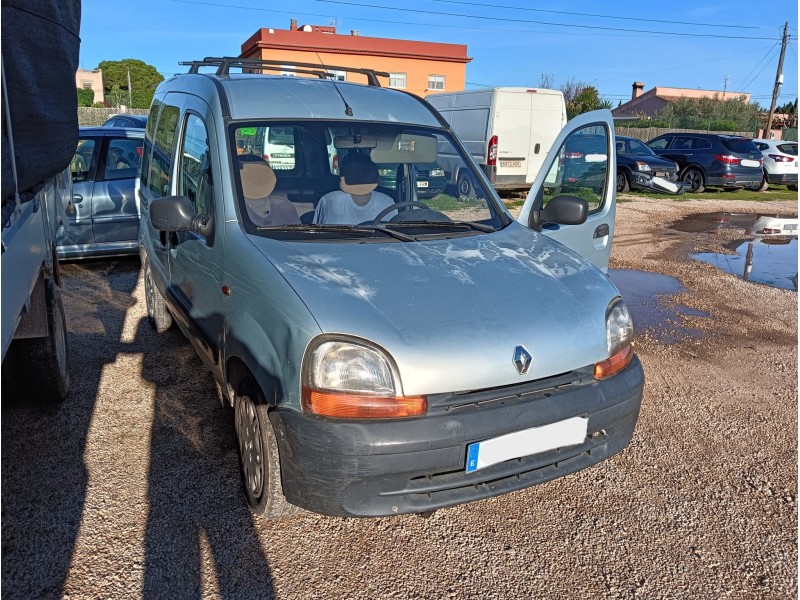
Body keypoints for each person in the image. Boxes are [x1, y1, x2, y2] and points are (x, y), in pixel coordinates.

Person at [313, 152, 395, 224]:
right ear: (374, 174)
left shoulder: (328, 201)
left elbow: (316, 233)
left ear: (343, 176)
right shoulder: (388, 202)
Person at [238, 155, 300, 226]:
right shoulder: (233, 207)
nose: (260, 179)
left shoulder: (285, 206)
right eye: (255, 175)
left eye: (264, 174)